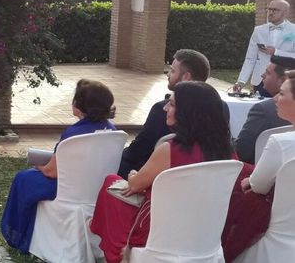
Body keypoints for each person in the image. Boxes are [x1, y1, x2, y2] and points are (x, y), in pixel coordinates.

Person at [90, 81, 236, 263]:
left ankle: (111, 253)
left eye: (172, 104)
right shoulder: (229, 154)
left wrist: (133, 174)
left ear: (188, 112)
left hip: (160, 234)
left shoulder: (170, 150)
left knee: (111, 182)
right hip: (204, 233)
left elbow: (135, 185)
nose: (165, 108)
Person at [1, 79, 117, 253]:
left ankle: (17, 234)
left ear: (80, 105)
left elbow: (51, 172)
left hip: (67, 189)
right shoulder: (113, 131)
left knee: (23, 179)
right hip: (96, 187)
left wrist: (39, 165)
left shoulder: (73, 134)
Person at [222, 72, 295, 261]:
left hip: (279, 243)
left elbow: (258, 186)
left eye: (281, 94)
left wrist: (251, 180)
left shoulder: (280, 142)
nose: (275, 99)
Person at [117, 48, 215, 177]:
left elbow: (138, 151)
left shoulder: (162, 110)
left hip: (159, 176)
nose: (168, 74)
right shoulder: (220, 107)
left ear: (186, 77)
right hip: (203, 177)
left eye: (173, 71)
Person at [234, 54, 295, 163]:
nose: (262, 75)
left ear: (282, 80)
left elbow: (241, 151)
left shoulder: (264, 110)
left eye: (267, 72)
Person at [235, 0, 295, 98]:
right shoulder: (258, 30)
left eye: (275, 10)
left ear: (285, 13)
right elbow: (250, 58)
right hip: (260, 80)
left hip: (285, 79)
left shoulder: (293, 30)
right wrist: (241, 81)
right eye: (269, 9)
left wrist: (276, 52)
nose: (270, 13)